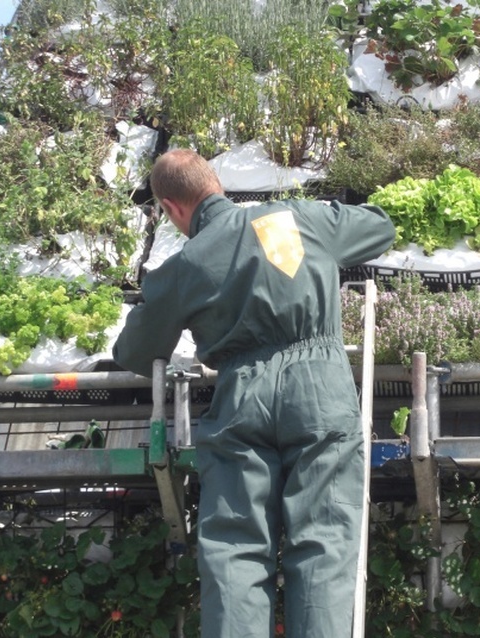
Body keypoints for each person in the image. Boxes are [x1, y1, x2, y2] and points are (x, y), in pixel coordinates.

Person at [113, 149, 396, 638]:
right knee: (324, 539)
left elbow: (135, 352)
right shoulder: (295, 219)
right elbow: (379, 227)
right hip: (320, 389)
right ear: (216, 182)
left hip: (241, 395)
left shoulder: (186, 265)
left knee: (235, 547)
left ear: (170, 207)